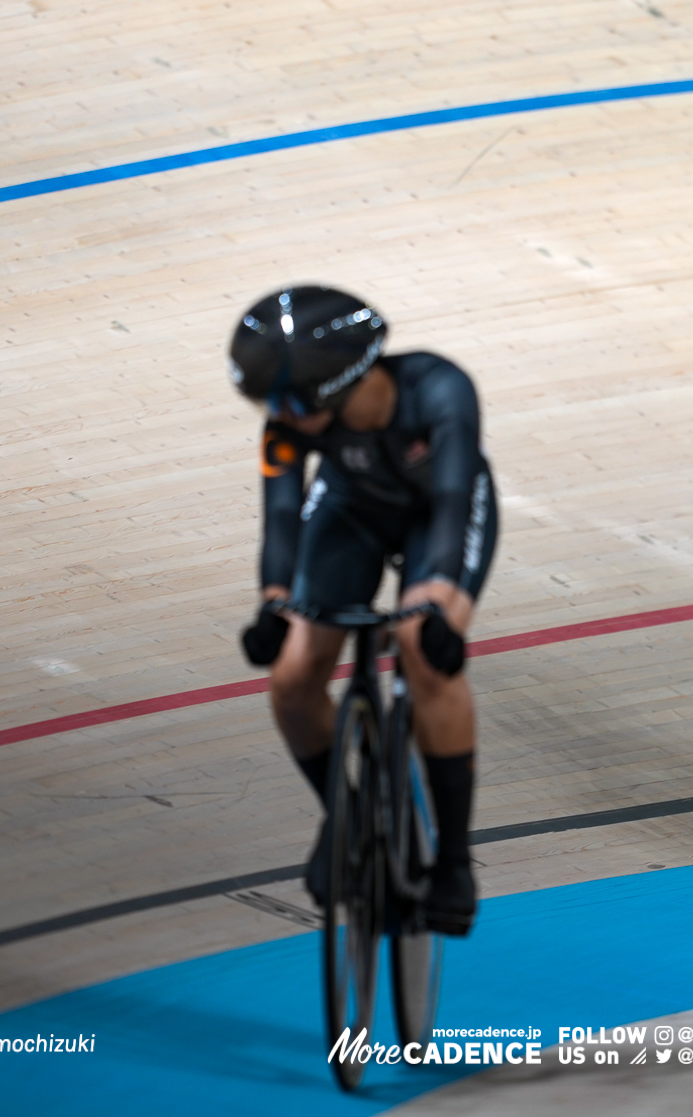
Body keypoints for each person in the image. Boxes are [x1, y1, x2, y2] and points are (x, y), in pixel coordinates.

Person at [228, 285, 496, 936]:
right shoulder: (289, 427)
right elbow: (283, 518)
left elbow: (457, 496)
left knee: (423, 654)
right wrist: (271, 604)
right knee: (293, 678)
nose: (278, 415)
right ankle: (348, 820)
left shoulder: (440, 389)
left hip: (438, 514)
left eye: (289, 401)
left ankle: (455, 861)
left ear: (343, 381)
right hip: (350, 512)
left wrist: (443, 612)